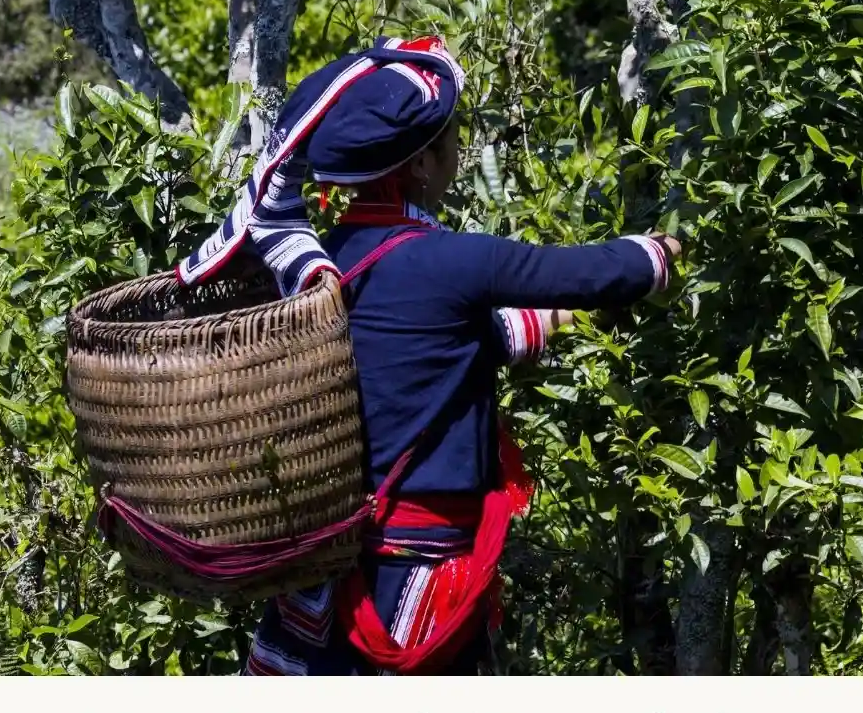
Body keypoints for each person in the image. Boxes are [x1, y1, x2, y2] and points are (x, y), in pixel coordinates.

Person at [179, 36, 681, 675]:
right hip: (417, 567)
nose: (459, 152)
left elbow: (459, 346)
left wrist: (566, 318)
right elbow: (600, 272)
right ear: (419, 163)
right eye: (451, 139)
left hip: (334, 569)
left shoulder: (331, 264)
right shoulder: (449, 261)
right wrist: (671, 249)